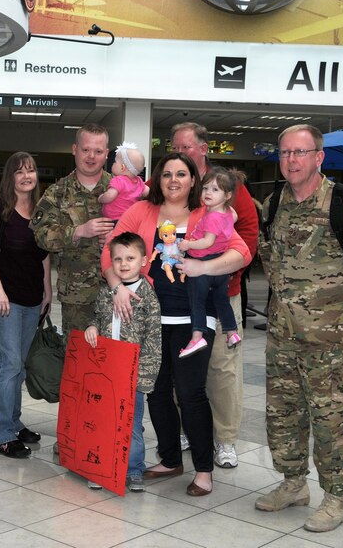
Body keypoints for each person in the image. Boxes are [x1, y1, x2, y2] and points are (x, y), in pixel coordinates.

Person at [255, 124, 343, 532]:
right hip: (283, 334)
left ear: (319, 157)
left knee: (332, 417)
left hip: (330, 340)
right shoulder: (274, 201)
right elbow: (269, 255)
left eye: (300, 152)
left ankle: (337, 497)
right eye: (285, 153)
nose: (291, 160)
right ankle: (293, 483)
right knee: (283, 413)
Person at [102, 152, 251, 496]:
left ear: (193, 180)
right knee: (155, 389)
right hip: (150, 318)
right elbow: (111, 251)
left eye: (181, 174)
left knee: (190, 391)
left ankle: (203, 471)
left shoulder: (209, 213)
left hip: (194, 318)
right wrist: (116, 287)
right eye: (167, 173)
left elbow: (240, 251)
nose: (173, 180)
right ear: (157, 178)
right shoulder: (140, 211)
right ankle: (170, 458)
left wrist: (203, 268)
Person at [171, 122, 258, 468]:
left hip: (222, 291)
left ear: (204, 149)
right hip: (180, 295)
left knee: (222, 368)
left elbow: (248, 236)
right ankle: (186, 430)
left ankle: (224, 440)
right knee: (182, 365)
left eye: (187, 148)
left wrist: (217, 268)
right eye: (175, 148)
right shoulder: (172, 183)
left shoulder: (230, 188)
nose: (180, 154)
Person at [0, 151, 52, 459]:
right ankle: (0, 434)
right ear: (10, 176)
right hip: (6, 299)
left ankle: (12, 421)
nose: (27, 176)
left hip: (32, 297)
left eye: (32, 171)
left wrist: (48, 291)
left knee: (19, 367)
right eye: (20, 171)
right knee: (8, 366)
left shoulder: (40, 210)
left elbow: (45, 254)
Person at [85, 232, 161, 492]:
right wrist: (93, 327)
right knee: (104, 421)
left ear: (143, 261)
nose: (123, 264)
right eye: (118, 259)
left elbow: (153, 339)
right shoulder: (108, 292)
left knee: (132, 425)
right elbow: (99, 317)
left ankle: (134, 469)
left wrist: (143, 378)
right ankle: (102, 468)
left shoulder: (148, 297)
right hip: (107, 373)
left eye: (130, 258)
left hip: (133, 376)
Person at [30, 123, 113, 340]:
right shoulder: (57, 193)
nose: (91, 156)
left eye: (98, 151)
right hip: (77, 298)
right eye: (86, 150)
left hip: (117, 292)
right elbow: (40, 236)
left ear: (107, 154)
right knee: (79, 365)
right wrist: (77, 232)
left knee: (117, 365)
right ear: (74, 149)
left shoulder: (120, 190)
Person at [178, 167, 242, 358]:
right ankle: (232, 333)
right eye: (205, 188)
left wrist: (188, 244)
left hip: (203, 264)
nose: (208, 193)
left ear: (227, 194)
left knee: (197, 301)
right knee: (221, 300)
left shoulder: (213, 217)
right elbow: (235, 217)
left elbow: (208, 241)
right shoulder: (228, 212)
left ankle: (197, 337)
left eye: (215, 190)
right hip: (219, 268)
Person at [98, 141, 149, 222]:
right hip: (130, 219)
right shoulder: (139, 181)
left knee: (106, 234)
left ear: (122, 167)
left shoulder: (118, 180)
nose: (113, 164)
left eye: (115, 162)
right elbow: (149, 192)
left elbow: (110, 196)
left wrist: (101, 198)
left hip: (114, 220)